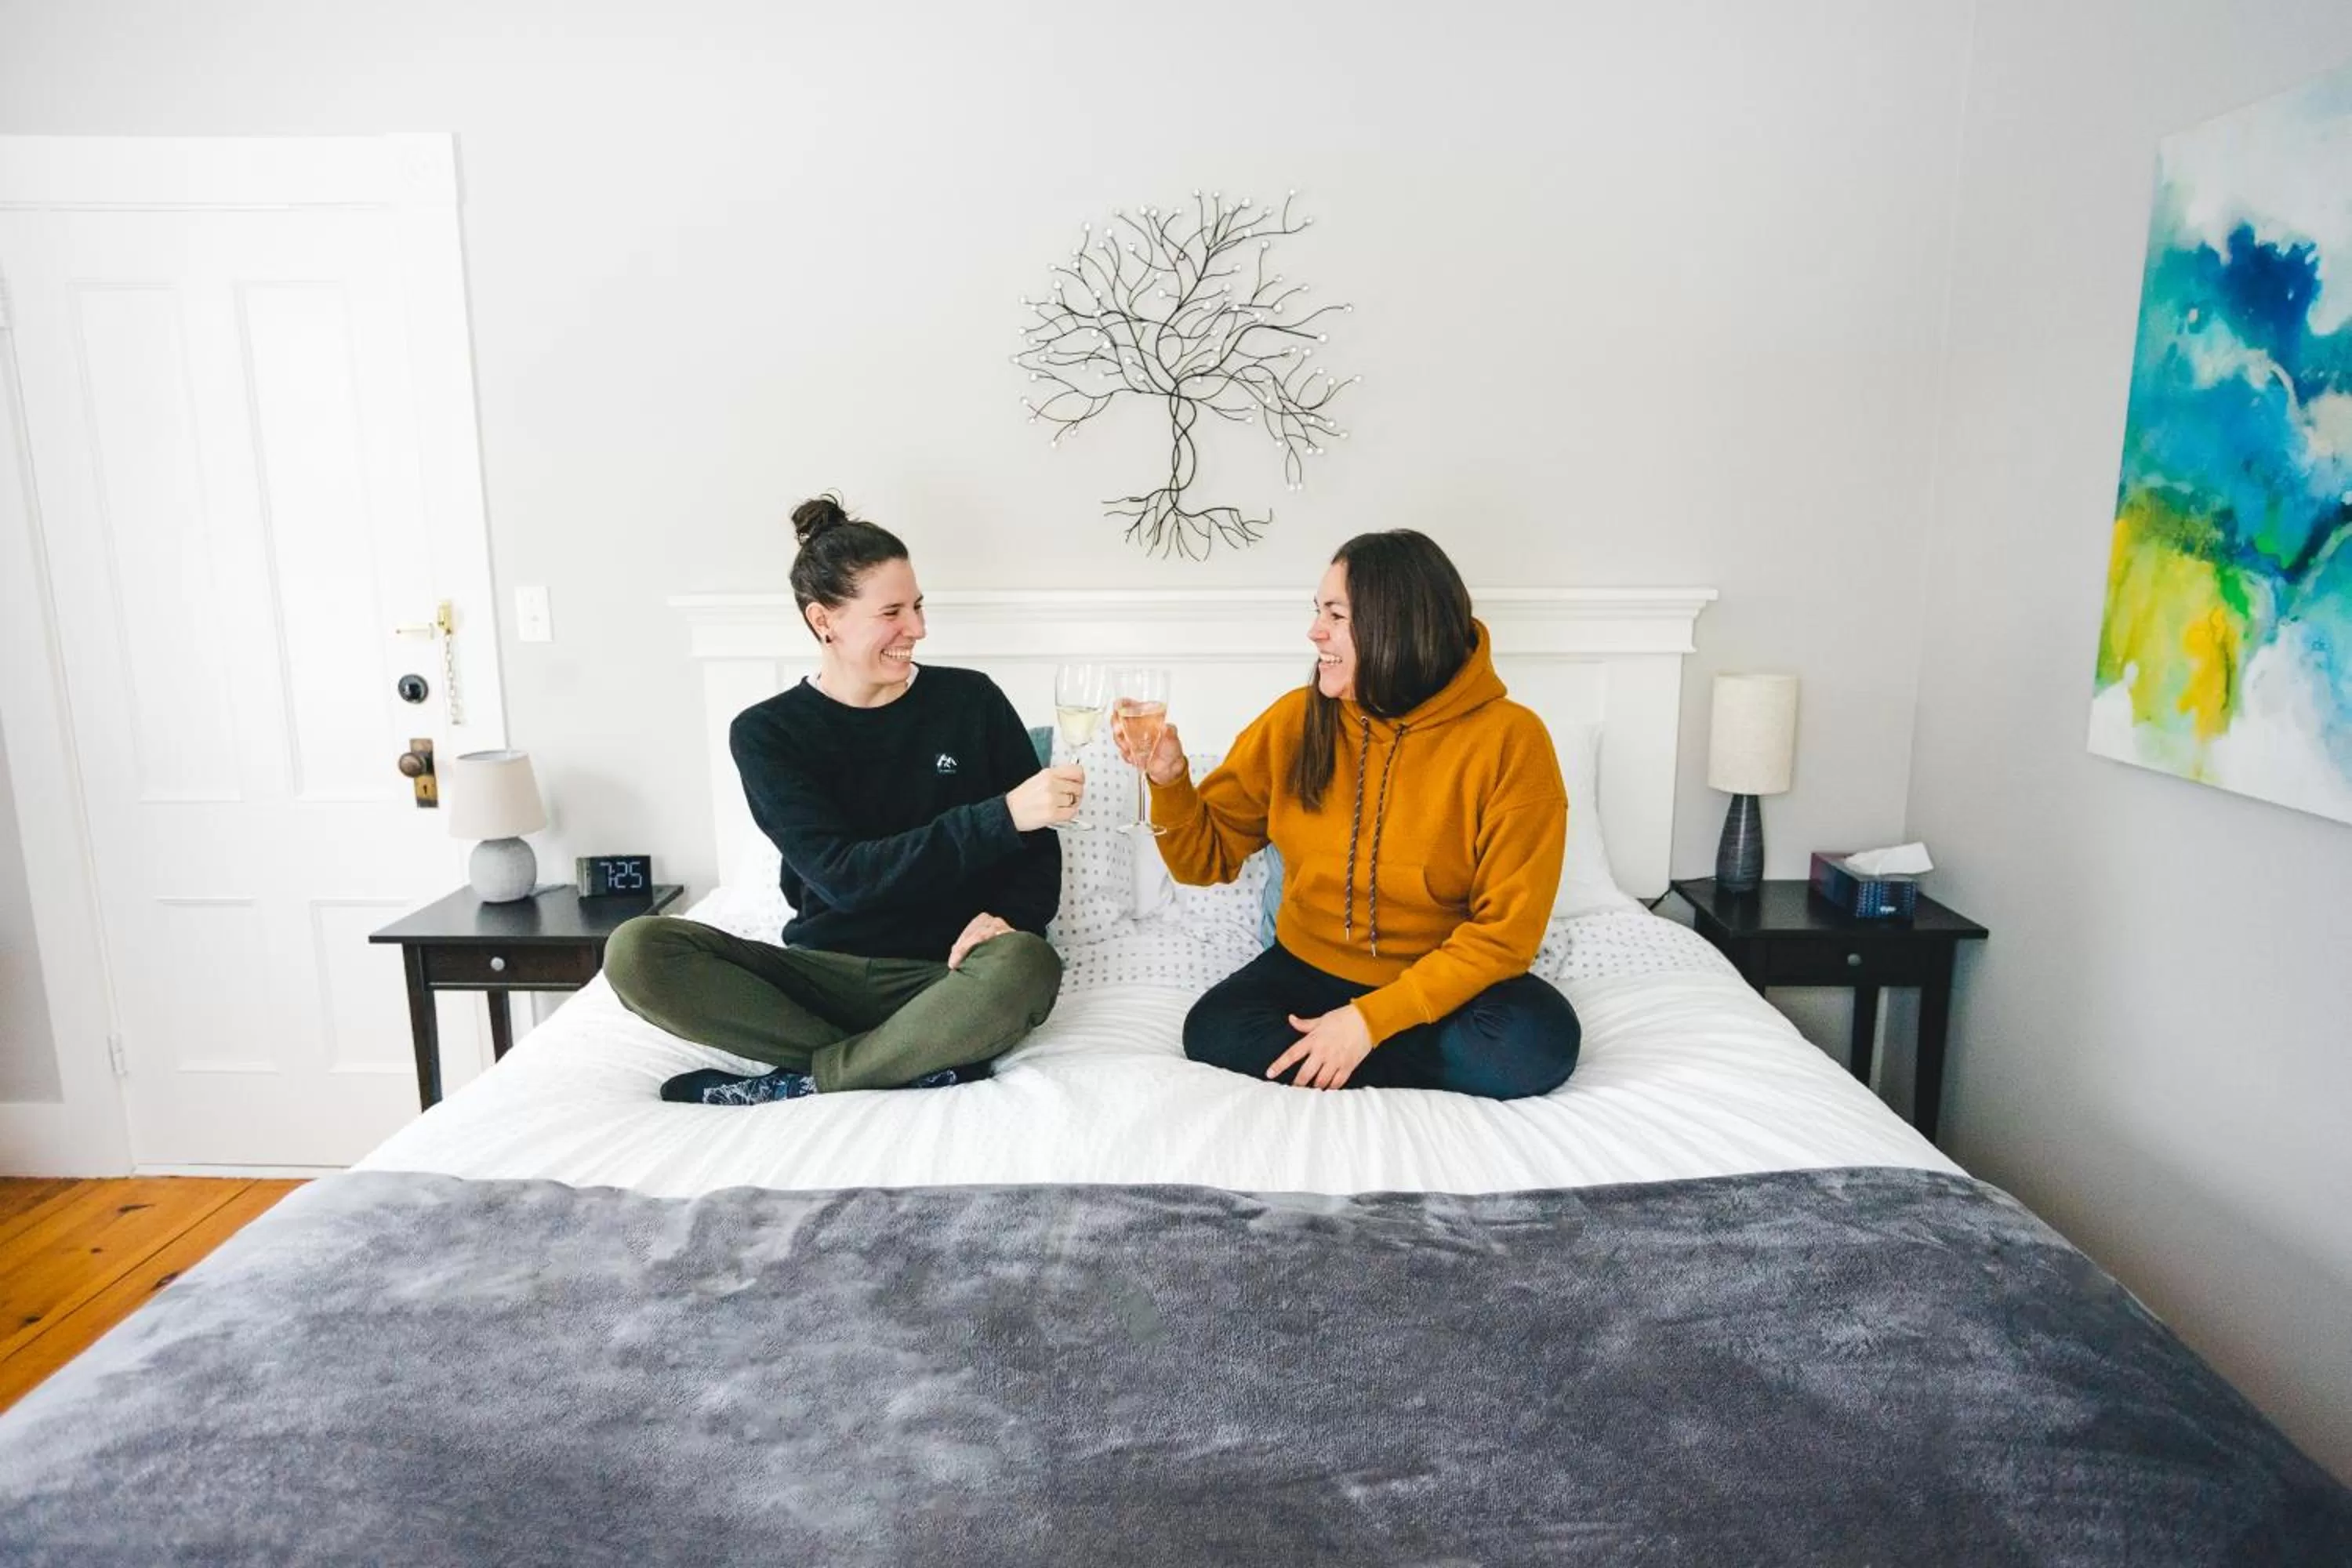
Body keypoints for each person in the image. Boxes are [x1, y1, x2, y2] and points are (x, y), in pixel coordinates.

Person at [606, 494, 1080, 1105]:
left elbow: (1037, 851)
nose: (918, 629)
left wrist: (1012, 919)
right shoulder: (768, 733)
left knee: (1028, 964)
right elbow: (844, 878)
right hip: (820, 975)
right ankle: (914, 1057)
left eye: (918, 606)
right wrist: (1002, 815)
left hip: (950, 975)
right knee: (638, 950)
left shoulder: (973, 701)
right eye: (892, 612)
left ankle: (811, 1078)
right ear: (823, 620)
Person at [1116, 529, 1580, 1098]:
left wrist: (1368, 1023)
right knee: (1213, 1029)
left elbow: (1506, 935)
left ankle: (1337, 1053)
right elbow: (1202, 863)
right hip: (1308, 968)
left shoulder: (1512, 740)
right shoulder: (1295, 721)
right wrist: (1169, 781)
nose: (1315, 632)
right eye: (1318, 612)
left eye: (1335, 615)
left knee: (1537, 1043)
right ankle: (1358, 1054)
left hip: (1440, 983)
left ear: (1397, 623)